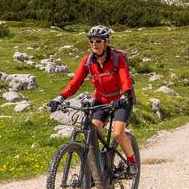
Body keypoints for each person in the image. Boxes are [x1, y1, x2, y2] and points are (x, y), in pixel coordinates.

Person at [49, 25, 137, 174]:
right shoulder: (87, 61)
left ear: (106, 42)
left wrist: (124, 95)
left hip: (121, 100)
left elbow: (125, 80)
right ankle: (99, 166)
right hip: (101, 101)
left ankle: (131, 163)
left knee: (117, 133)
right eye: (91, 41)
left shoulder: (117, 59)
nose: (94, 44)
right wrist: (60, 97)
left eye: (98, 41)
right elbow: (74, 83)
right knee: (93, 130)